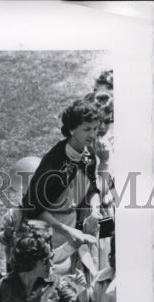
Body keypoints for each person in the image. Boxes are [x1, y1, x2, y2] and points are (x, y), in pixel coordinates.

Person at [21, 99, 101, 270]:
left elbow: (92, 189)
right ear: (72, 129)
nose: (93, 134)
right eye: (87, 129)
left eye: (95, 128)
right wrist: (65, 230)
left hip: (71, 231)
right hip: (45, 233)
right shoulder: (55, 161)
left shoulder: (89, 156)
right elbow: (33, 206)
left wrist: (94, 211)